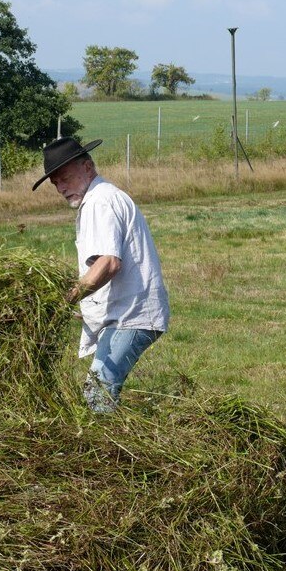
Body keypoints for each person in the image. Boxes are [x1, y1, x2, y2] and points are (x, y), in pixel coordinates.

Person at [32, 137, 170, 413]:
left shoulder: (100, 201)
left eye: (65, 178)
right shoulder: (101, 197)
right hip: (126, 312)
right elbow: (102, 264)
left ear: (87, 167)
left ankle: (108, 452)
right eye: (55, 183)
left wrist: (67, 298)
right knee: (99, 391)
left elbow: (109, 263)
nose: (61, 188)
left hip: (132, 316)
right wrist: (89, 304)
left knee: (98, 393)